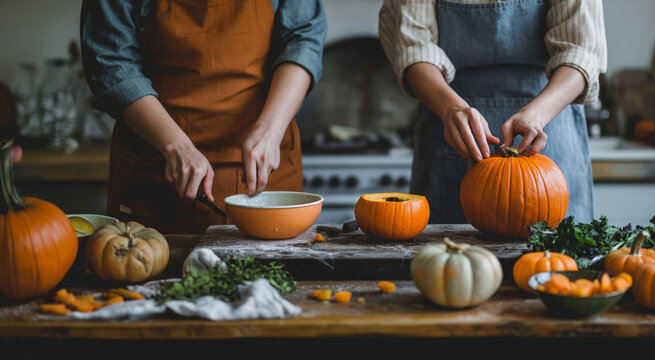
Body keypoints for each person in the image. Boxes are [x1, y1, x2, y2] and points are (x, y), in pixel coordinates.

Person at [81, 1, 327, 233]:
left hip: (268, 158)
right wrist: (174, 145)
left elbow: (303, 39)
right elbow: (111, 60)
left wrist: (271, 130)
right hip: (155, 165)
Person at [379, 0, 606, 224]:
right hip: (448, 124)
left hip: (551, 129)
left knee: (557, 258)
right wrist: (451, 108)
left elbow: (581, 53)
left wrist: (536, 115)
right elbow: (413, 48)